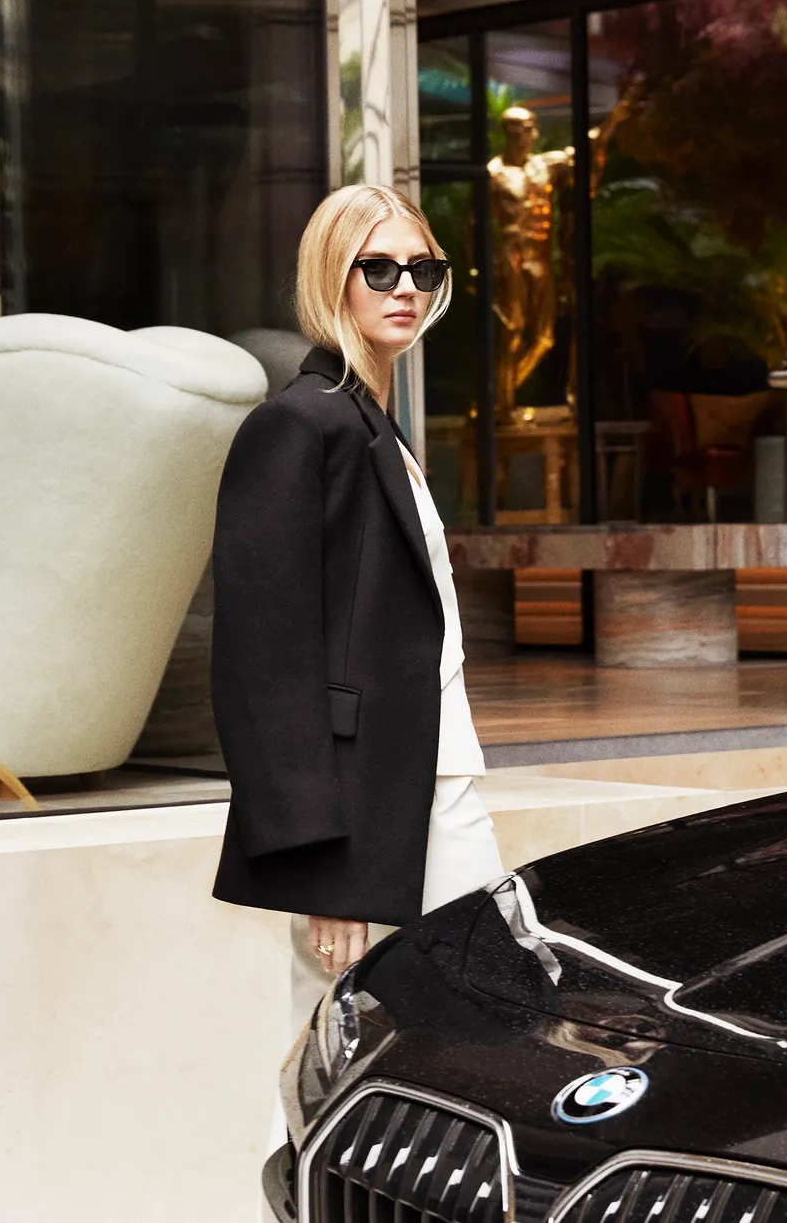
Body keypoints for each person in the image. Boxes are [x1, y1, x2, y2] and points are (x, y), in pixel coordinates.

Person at [210, 184, 506, 1031]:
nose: (404, 286)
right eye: (378, 268)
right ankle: (300, 1169)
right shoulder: (299, 425)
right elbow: (265, 661)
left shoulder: (372, 424)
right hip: (365, 816)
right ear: (330, 278)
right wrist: (325, 873)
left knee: (440, 1037)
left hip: (434, 781)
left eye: (422, 267)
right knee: (352, 1048)